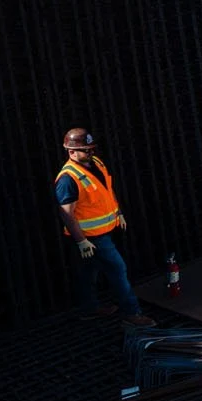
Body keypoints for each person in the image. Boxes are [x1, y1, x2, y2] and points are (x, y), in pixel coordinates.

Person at [56, 128, 152, 326]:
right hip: (91, 237)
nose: (91, 153)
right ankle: (131, 312)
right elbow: (66, 213)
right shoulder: (68, 178)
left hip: (104, 231)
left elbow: (107, 191)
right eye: (86, 150)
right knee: (117, 269)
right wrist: (81, 241)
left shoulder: (97, 163)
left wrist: (118, 212)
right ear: (71, 152)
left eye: (92, 149)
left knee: (88, 272)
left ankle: (89, 309)